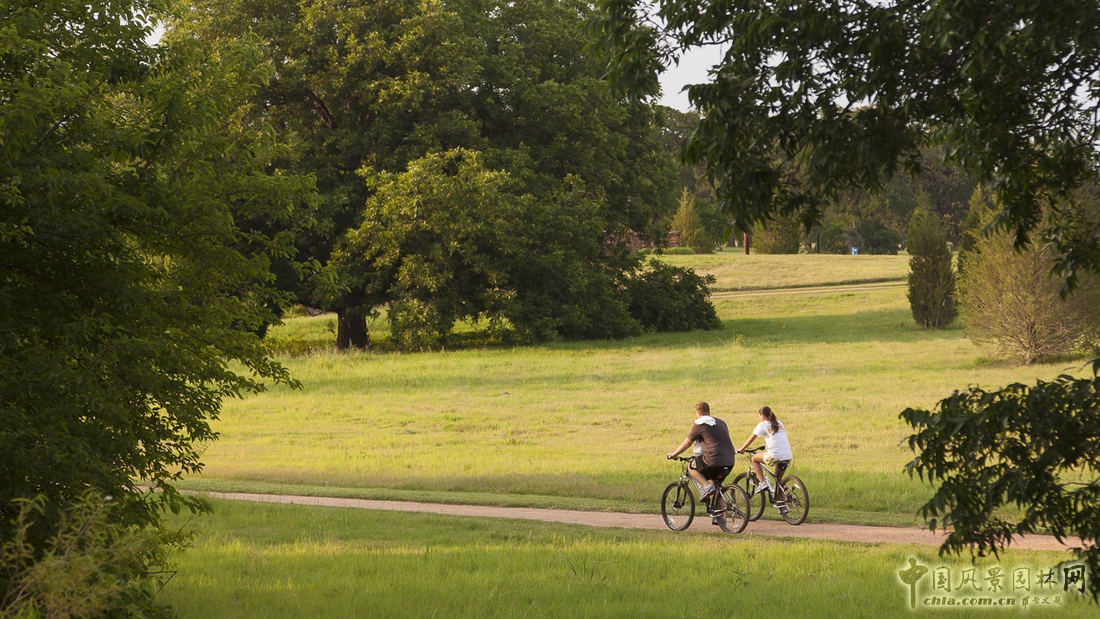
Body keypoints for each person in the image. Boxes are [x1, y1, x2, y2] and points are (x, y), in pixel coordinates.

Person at [666, 402, 737, 523]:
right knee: (717, 485)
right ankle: (721, 517)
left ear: (698, 412)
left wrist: (674, 454)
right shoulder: (721, 422)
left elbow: (687, 443)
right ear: (708, 410)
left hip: (713, 460)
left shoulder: (699, 424)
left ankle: (706, 486)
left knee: (691, 466)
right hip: (730, 460)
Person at [737, 405, 793, 496]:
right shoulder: (779, 423)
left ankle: (762, 483)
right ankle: (783, 505)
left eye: (759, 416)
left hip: (775, 455)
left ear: (762, 416)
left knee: (754, 459)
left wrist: (741, 449)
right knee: (779, 481)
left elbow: (751, 439)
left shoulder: (763, 425)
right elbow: (777, 439)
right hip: (787, 455)